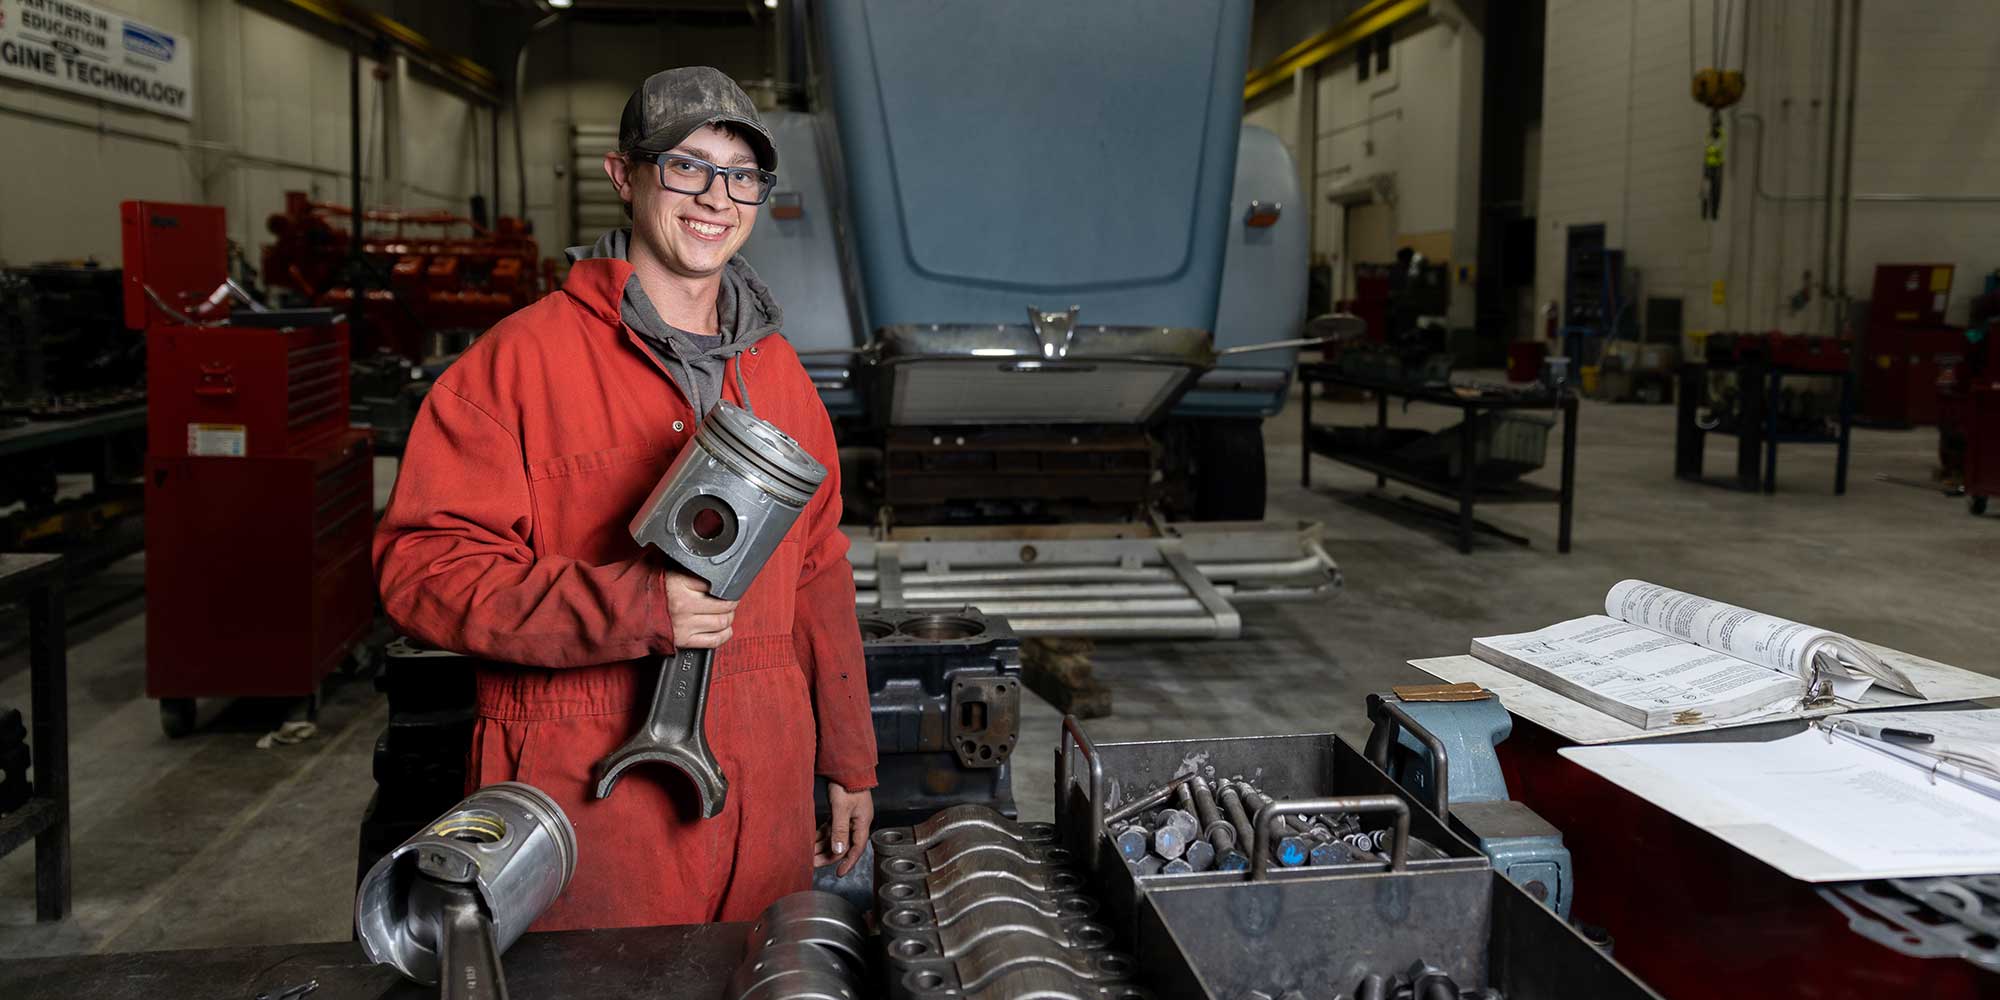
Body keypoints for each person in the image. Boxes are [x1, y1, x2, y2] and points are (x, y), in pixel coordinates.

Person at [373, 66, 876, 929]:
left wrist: (848, 757)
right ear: (624, 176)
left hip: (765, 778)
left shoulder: (780, 374)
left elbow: (819, 571)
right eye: (687, 166)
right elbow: (423, 570)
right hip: (585, 797)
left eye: (742, 174)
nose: (716, 197)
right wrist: (629, 605)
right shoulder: (515, 367)